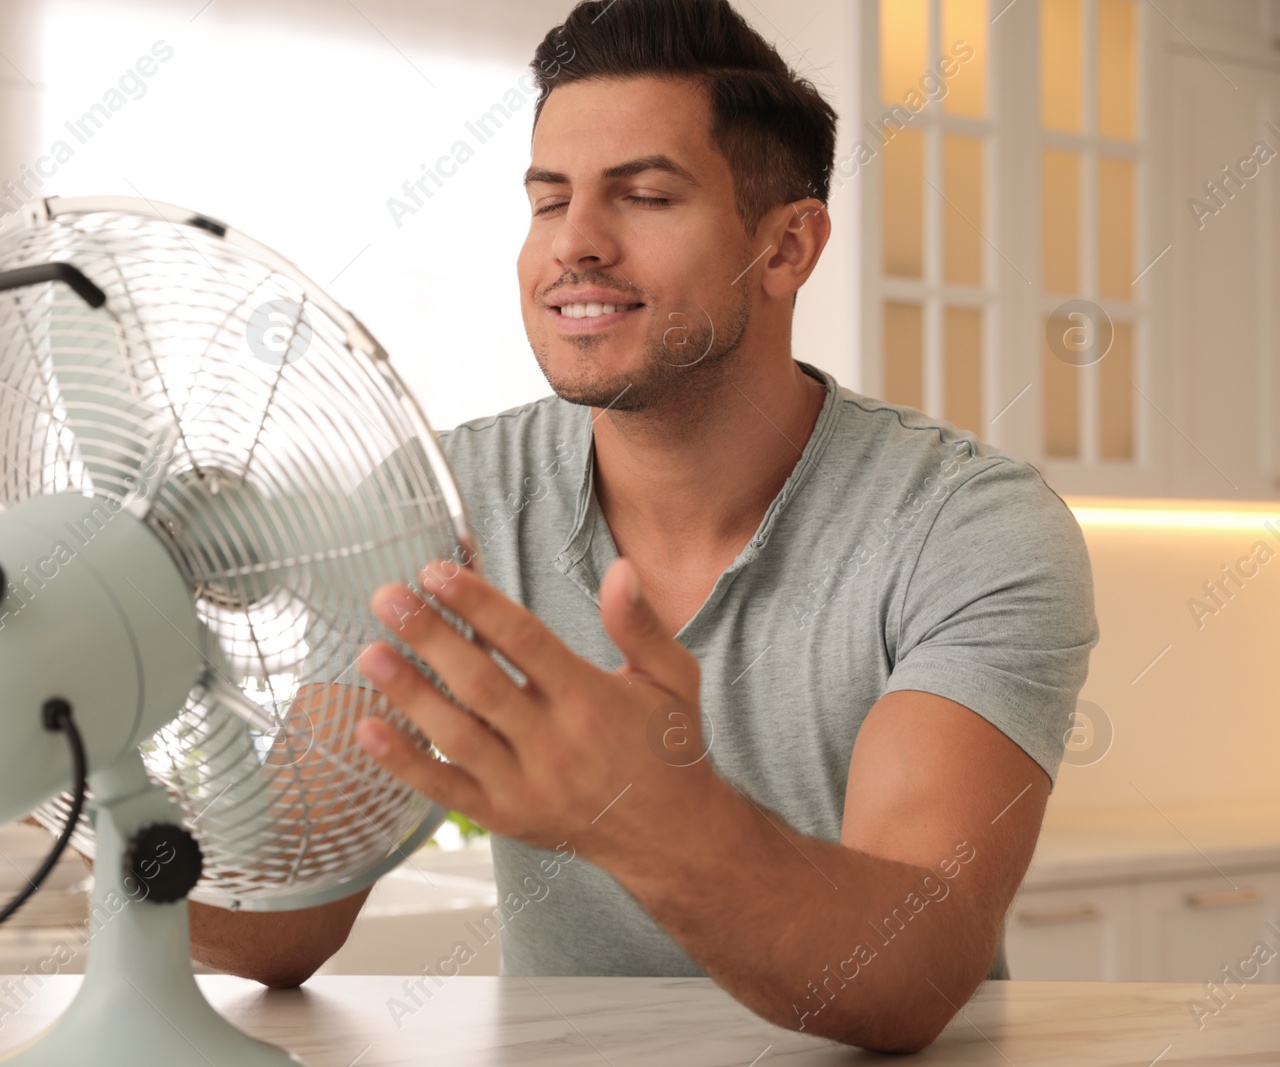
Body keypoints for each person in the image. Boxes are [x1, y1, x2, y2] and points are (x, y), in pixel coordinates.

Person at [189, 0, 1099, 1052]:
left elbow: (908, 968)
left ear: (786, 246)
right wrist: (79, 767)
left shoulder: (965, 527)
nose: (573, 243)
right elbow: (278, 919)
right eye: (547, 200)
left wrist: (653, 812)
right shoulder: (443, 496)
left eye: (646, 194)